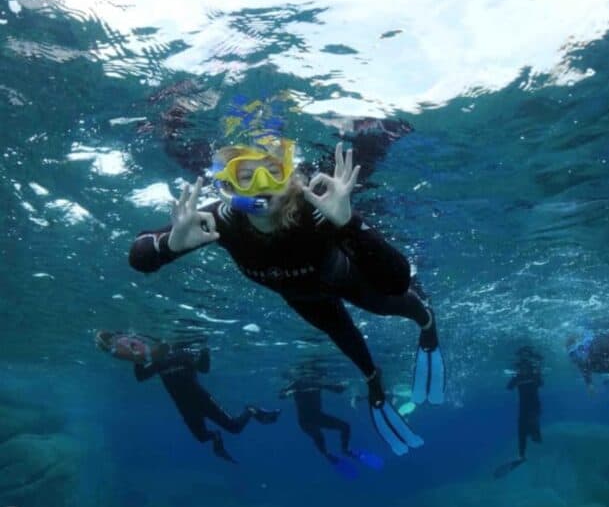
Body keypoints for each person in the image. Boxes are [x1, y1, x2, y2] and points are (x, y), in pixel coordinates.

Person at [127, 137, 443, 456]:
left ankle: (427, 323)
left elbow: (396, 281)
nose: (261, 185)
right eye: (247, 176)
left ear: (291, 178)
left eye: (273, 173)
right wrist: (169, 247)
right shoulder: (220, 220)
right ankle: (374, 380)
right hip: (303, 298)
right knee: (341, 334)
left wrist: (350, 223)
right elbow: (139, 256)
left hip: (347, 279)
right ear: (231, 187)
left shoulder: (317, 207)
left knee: (388, 303)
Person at [95, 331, 280, 463]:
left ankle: (251, 410)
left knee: (235, 428)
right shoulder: (158, 361)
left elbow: (204, 369)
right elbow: (141, 377)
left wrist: (205, 351)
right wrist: (136, 358)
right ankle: (215, 437)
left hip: (203, 401)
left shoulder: (184, 355)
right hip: (185, 407)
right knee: (201, 438)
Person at [279, 361, 383, 479]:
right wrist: (289, 392)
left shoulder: (317, 383)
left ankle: (346, 450)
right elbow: (281, 394)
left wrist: (341, 385)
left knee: (345, 426)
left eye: (315, 375)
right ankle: (327, 454)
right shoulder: (296, 383)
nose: (313, 377)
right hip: (305, 421)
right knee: (318, 435)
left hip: (318, 416)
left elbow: (338, 389)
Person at [494, 345, 543, 478]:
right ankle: (522, 456)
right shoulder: (518, 377)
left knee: (534, 433)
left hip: (534, 408)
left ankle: (535, 438)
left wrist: (537, 369)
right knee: (521, 430)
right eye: (521, 367)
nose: (523, 369)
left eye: (525, 367)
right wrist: (515, 376)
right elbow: (509, 387)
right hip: (523, 408)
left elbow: (540, 383)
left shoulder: (534, 375)